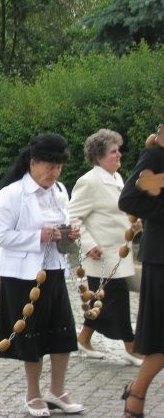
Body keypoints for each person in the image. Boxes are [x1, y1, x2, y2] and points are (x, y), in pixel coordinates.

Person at [0, 133, 84, 417]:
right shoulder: (11, 194)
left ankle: (58, 390)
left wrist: (69, 234)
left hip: (54, 269)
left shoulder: (59, 191)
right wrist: (39, 236)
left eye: (58, 167)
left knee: (62, 330)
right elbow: (1, 237)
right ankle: (33, 394)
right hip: (22, 275)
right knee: (31, 335)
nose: (53, 173)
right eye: (48, 166)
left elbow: (62, 225)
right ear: (32, 163)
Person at [68, 129, 142, 366]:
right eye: (113, 151)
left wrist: (134, 223)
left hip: (120, 253)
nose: (119, 154)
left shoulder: (117, 178)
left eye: (118, 149)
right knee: (117, 300)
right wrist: (88, 245)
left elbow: (115, 212)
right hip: (102, 255)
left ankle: (83, 339)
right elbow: (72, 218)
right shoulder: (89, 181)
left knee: (102, 301)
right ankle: (131, 348)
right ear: (99, 157)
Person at [117, 124, 164, 418]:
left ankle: (136, 391)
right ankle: (136, 394)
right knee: (161, 337)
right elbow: (129, 200)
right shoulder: (155, 157)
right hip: (162, 261)